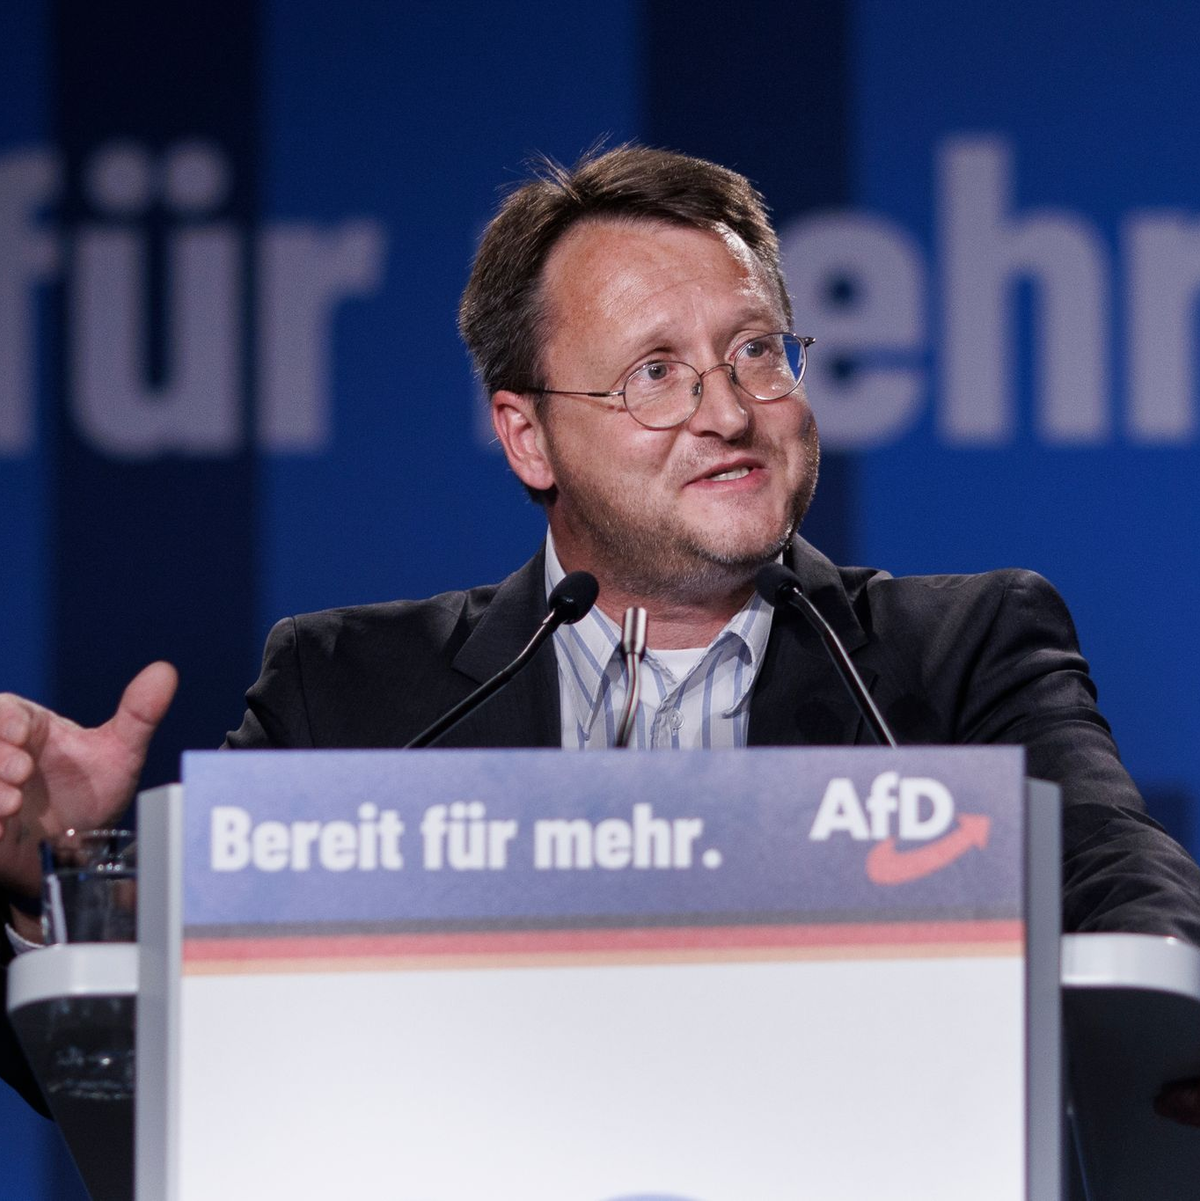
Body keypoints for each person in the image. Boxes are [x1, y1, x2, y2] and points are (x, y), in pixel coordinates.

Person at [2, 145, 1200, 1122]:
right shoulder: (352, 691)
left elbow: (1122, 879)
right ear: (527, 437)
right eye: (655, 373)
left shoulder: (958, 655)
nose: (728, 410)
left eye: (755, 351)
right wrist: (58, 889)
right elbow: (165, 1050)